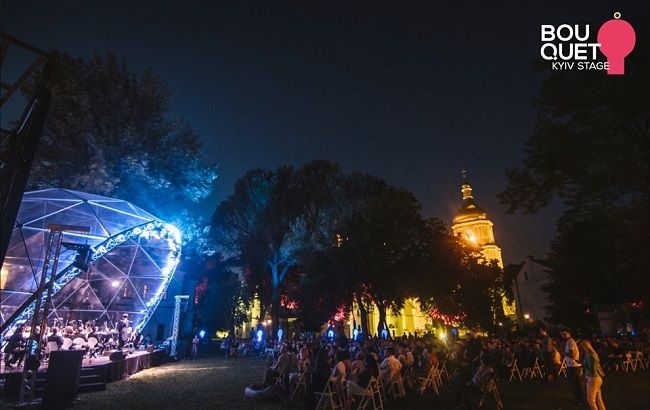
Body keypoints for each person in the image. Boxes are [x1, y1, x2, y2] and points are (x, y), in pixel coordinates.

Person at [560, 329, 585, 406]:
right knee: (576, 383)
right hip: (573, 365)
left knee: (575, 383)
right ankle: (579, 399)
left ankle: (580, 400)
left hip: (574, 366)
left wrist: (563, 352)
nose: (563, 336)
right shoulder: (569, 342)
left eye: (565, 334)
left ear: (569, 334)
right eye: (562, 334)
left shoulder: (570, 342)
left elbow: (572, 355)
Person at [579, 340, 606, 410]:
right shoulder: (593, 354)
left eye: (581, 348)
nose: (580, 349)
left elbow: (592, 370)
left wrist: (585, 379)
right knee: (598, 399)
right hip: (597, 378)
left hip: (592, 379)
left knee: (590, 399)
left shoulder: (590, 356)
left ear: (585, 347)